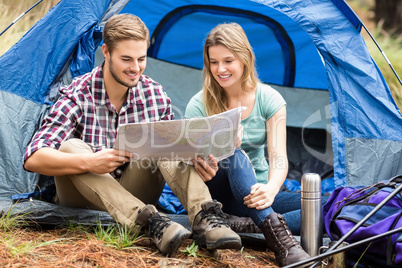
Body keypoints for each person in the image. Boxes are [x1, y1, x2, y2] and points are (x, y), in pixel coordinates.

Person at [23, 14, 242, 256]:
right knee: (71, 147)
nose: (135, 68)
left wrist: (198, 163)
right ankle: (149, 224)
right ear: (105, 52)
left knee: (168, 141)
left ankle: (205, 219)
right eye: (126, 59)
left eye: (141, 59)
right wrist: (91, 162)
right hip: (83, 197)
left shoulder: (154, 95)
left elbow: (176, 155)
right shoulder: (78, 94)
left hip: (137, 192)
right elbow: (33, 158)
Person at [184, 22, 312, 266]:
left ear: (245, 58)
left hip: (258, 194)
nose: (220, 69)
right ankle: (283, 244)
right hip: (220, 195)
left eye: (228, 60)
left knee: (325, 205)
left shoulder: (269, 99)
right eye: (213, 62)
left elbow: (278, 157)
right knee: (234, 155)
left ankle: (255, 223)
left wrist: (272, 189)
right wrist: (218, 152)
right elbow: (191, 165)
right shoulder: (198, 105)